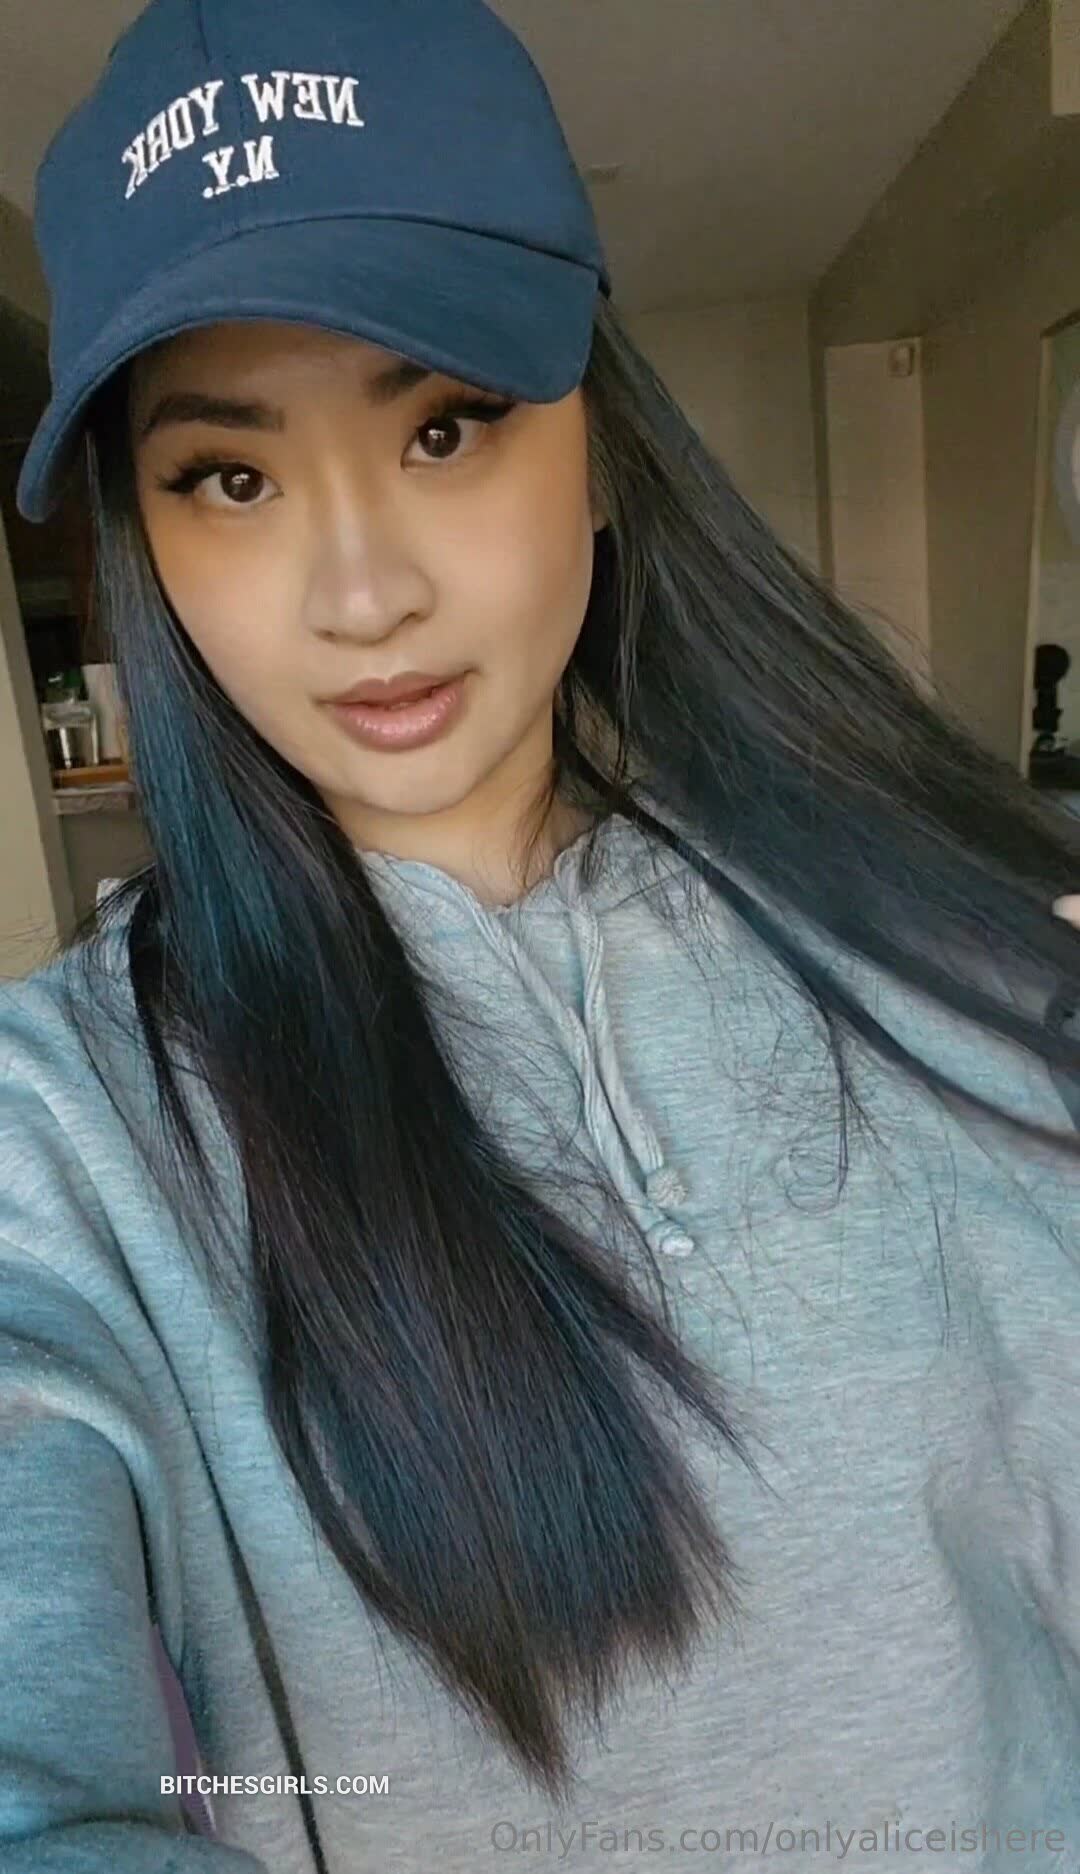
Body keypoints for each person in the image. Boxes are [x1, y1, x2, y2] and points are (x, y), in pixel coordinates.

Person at [4, 1, 1080, 1869]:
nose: (363, 592)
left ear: (597, 431)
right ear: (143, 535)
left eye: (446, 425)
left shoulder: (946, 956)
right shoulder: (67, 1137)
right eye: (230, 476)